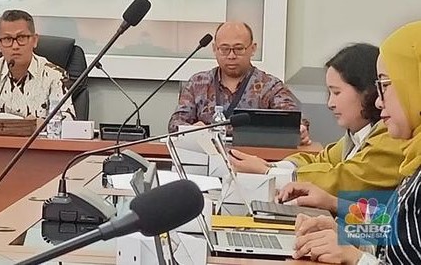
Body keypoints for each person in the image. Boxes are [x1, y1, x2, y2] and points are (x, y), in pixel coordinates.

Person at [284, 21, 421, 264]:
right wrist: (346, 231)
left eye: (385, 86)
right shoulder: (414, 155)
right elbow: (392, 224)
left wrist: (357, 258)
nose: (378, 101)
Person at [229, 43, 404, 195]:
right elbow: (321, 160)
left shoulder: (390, 134)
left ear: (368, 92)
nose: (330, 103)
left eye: (337, 93)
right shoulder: (357, 134)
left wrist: (267, 173)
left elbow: (344, 179)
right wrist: (272, 167)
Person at [167, 21, 310, 144]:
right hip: (205, 156)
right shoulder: (198, 83)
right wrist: (191, 130)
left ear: (252, 49)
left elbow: (294, 120)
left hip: (253, 158)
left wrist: (300, 129)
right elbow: (175, 124)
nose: (231, 56)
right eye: (224, 49)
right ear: (214, 49)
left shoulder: (270, 86)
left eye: (239, 49)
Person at [0, 9, 75, 120]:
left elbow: (67, 121)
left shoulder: (55, 76)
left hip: (35, 135)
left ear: (34, 40)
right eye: (7, 39)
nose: (15, 46)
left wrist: (42, 124)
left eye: (21, 38)